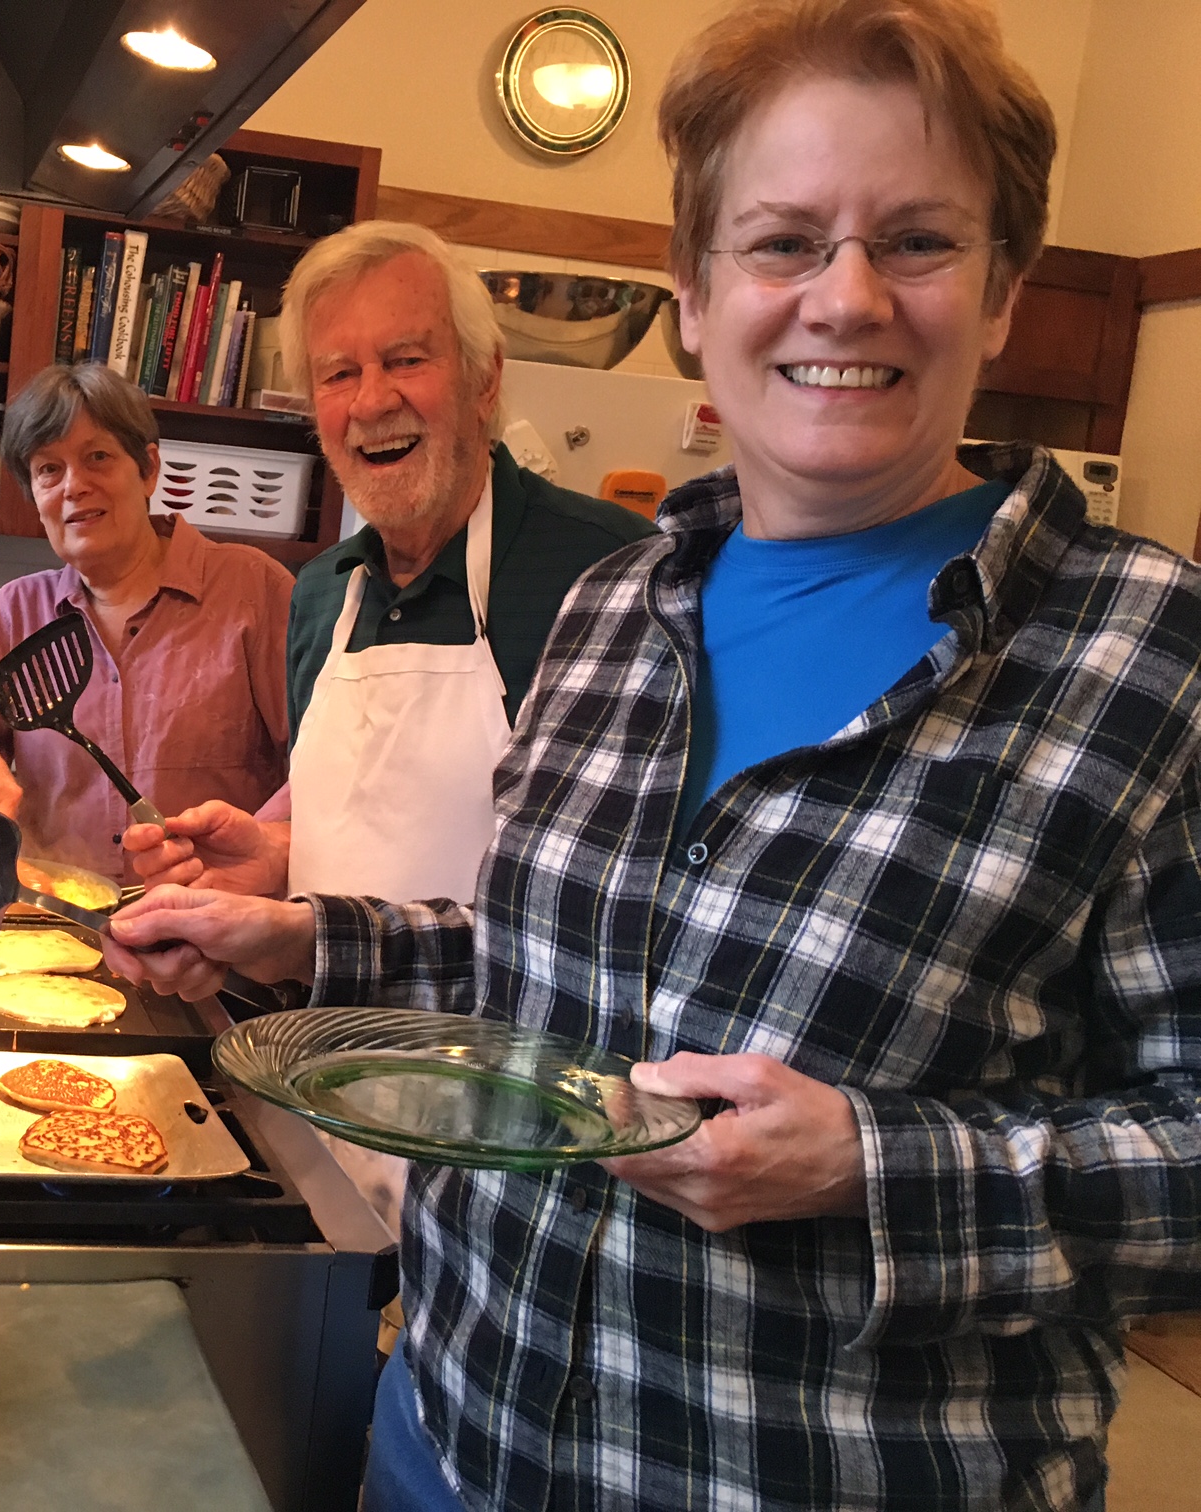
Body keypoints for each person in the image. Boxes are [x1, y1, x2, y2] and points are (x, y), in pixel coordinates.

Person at [102, 2, 1201, 1508]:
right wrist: (302, 937)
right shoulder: (620, 609)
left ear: (1004, 289)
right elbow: (555, 988)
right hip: (449, 1434)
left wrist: (869, 1166)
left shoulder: (1149, 659)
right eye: (783, 242)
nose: (846, 298)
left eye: (918, 242)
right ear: (694, 291)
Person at [123, 220, 653, 907]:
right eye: (339, 374)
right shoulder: (321, 593)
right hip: (313, 984)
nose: (372, 402)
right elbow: (361, 828)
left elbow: (622, 892)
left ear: (485, 379)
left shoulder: (614, 572)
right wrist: (278, 856)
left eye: (405, 361)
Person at [0, 363, 292, 882]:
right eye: (48, 470)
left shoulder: (252, 589)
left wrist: (259, 850)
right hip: (56, 917)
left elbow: (329, 760)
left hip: (215, 913)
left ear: (148, 469)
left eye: (97, 457)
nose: (74, 486)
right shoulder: (20, 612)